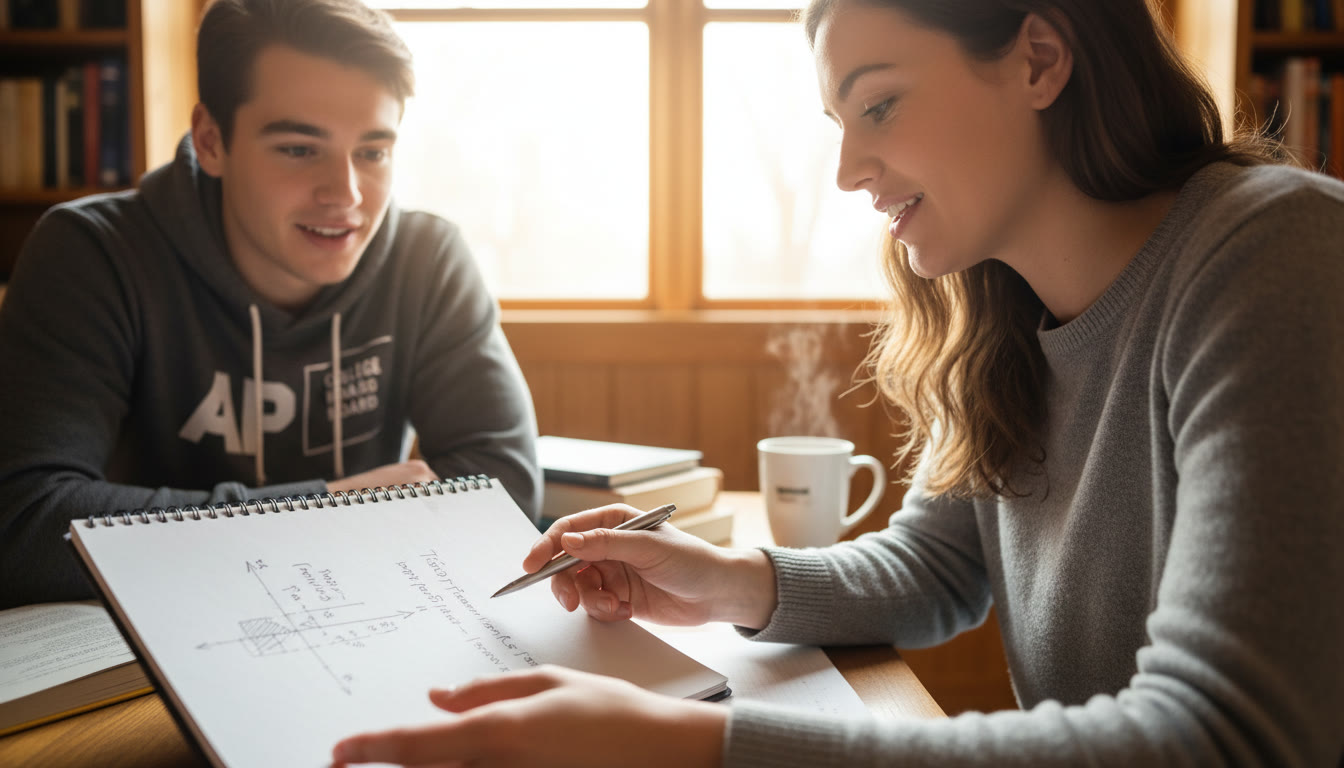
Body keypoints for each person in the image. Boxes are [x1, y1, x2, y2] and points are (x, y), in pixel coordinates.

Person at [331, 0, 1344, 765]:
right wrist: (726, 580)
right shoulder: (1001, 319)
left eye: (881, 104)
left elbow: (1222, 736)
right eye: (839, 121)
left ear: (1039, 58)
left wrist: (684, 747)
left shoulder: (1275, 256)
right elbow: (937, 571)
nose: (850, 169)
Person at [0, 0, 542, 611]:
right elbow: (22, 526)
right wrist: (325, 511)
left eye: (373, 151)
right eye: (298, 149)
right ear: (210, 141)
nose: (346, 194)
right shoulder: (93, 255)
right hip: (151, 640)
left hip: (359, 618)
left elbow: (505, 491)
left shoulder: (428, 258)